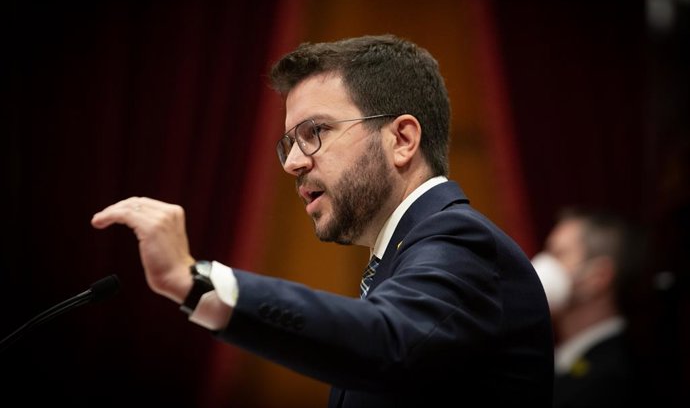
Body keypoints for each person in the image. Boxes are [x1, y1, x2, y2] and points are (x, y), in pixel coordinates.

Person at [91, 34, 554, 407]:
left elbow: (386, 340)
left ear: (403, 139)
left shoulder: (459, 240)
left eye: (315, 133)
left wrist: (195, 282)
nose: (292, 162)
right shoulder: (405, 254)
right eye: (289, 142)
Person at [531, 206, 647, 408]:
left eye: (558, 254)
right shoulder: (564, 357)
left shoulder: (612, 376)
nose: (543, 265)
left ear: (598, 277)